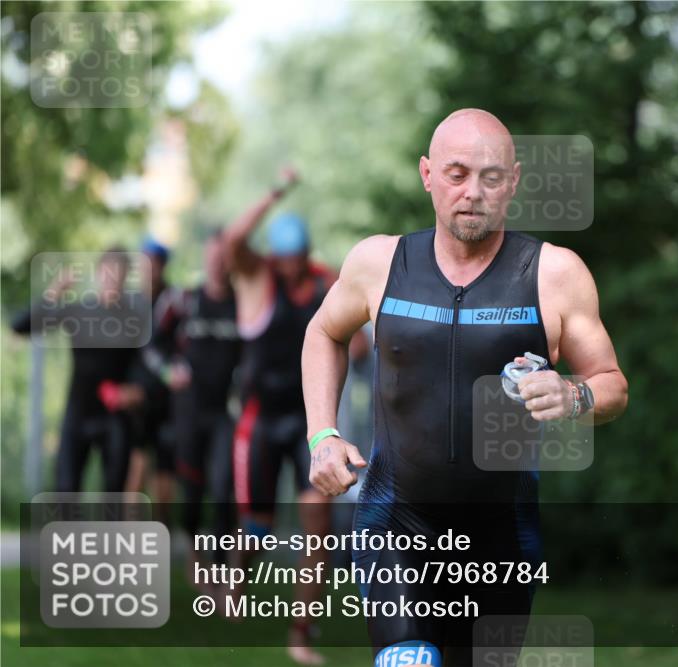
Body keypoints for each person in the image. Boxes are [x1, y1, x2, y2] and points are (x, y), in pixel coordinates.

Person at [302, 109, 628, 666]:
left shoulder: (554, 274)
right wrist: (322, 435)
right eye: (457, 174)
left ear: (514, 181)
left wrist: (574, 396)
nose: (473, 192)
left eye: (491, 177)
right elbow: (323, 333)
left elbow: (613, 386)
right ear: (427, 175)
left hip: (500, 537)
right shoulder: (379, 262)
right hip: (395, 524)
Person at [222, 167, 365, 665]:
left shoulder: (325, 282)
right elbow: (232, 241)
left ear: (305, 254)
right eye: (282, 257)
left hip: (309, 423)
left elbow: (355, 334)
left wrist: (357, 338)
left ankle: (301, 632)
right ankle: (236, 575)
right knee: (258, 528)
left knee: (317, 526)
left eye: (297, 257)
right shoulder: (257, 278)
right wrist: (274, 192)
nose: (289, 266)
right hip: (260, 421)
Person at [144, 229, 242, 586]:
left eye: (223, 258)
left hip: (224, 413)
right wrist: (168, 371)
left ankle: (219, 569)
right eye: (212, 257)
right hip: (187, 413)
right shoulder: (183, 301)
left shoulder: (243, 304)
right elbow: (150, 345)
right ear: (204, 259)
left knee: (223, 487)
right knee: (192, 491)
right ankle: (194, 552)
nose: (217, 264)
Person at [10, 247, 149, 492]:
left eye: (118, 275)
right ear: (99, 274)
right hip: (78, 412)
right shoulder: (80, 311)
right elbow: (20, 325)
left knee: (114, 491)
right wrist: (54, 292)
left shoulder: (134, 319)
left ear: (126, 278)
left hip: (115, 416)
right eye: (108, 274)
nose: (112, 282)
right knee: (66, 488)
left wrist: (136, 390)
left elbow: (146, 364)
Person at [127, 236, 180, 514]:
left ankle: (162, 530)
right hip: (137, 398)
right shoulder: (130, 304)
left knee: (165, 471)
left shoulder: (175, 301)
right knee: (136, 465)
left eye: (155, 263)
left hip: (167, 400)